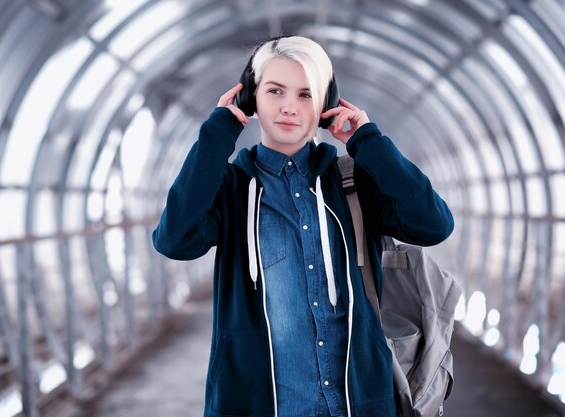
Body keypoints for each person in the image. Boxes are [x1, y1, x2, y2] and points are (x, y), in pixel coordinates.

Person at [152, 35, 454, 417]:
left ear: (325, 104)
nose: (288, 108)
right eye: (275, 91)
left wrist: (367, 141)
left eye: (306, 95)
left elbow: (434, 224)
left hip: (360, 404)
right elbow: (174, 240)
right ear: (251, 99)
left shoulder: (353, 182)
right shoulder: (231, 189)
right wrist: (217, 134)